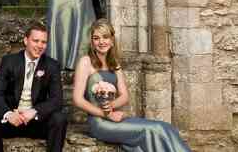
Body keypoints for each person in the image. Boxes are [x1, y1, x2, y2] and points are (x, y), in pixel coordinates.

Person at [72, 19, 192, 151]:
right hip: (99, 124)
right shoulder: (85, 62)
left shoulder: (114, 63)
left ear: (112, 40)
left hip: (114, 117)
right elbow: (78, 100)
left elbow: (124, 96)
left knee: (166, 127)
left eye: (105, 37)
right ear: (92, 42)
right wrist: (106, 114)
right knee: (154, 129)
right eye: (96, 38)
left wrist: (111, 107)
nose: (101, 41)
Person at [0, 23, 68, 152]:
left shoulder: (52, 65)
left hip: (36, 123)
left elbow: (57, 100)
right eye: (36, 41)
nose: (40, 46)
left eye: (43, 42)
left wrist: (34, 112)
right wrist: (8, 114)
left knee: (59, 119)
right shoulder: (9, 61)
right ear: (26, 40)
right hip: (11, 121)